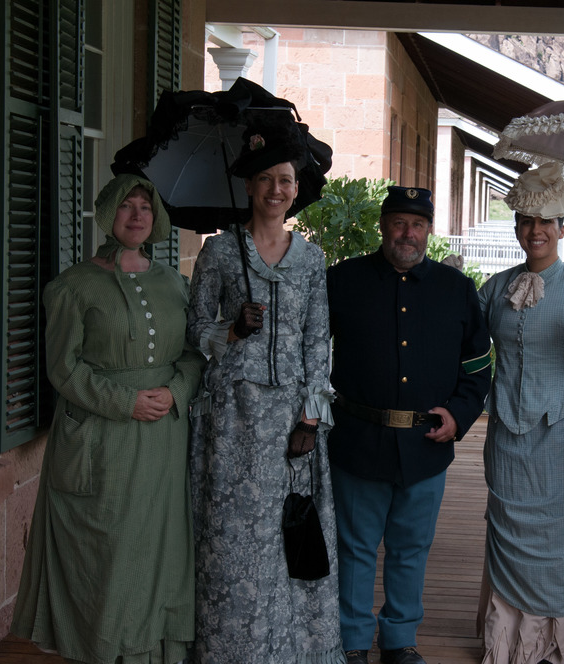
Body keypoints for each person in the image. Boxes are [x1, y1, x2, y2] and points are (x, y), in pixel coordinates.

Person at [11, 174, 205, 664]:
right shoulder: (74, 286)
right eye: (126, 206)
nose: (137, 215)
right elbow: (63, 369)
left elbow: (193, 353)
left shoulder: (174, 284)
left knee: (159, 551)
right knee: (109, 555)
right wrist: (127, 402)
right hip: (101, 441)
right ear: (106, 214)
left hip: (163, 440)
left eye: (145, 206)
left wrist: (175, 390)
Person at [186, 124, 342, 663]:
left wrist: (311, 420)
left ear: (296, 189)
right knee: (233, 543)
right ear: (249, 187)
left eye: (286, 180)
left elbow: (320, 345)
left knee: (287, 537)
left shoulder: (312, 261)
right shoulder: (219, 254)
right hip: (232, 421)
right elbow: (195, 329)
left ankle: (291, 649)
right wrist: (231, 331)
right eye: (266, 180)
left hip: (292, 427)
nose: (276, 190)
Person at [326, 186, 491, 664]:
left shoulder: (455, 288)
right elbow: (309, 349)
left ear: (428, 231)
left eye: (417, 225)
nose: (408, 233)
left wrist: (459, 415)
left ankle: (399, 638)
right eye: (399, 222)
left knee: (410, 546)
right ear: (383, 225)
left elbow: (479, 362)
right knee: (355, 547)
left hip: (426, 443)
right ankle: (353, 640)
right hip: (358, 439)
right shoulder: (342, 280)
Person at [475, 163, 564, 664]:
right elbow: (468, 349)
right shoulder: (495, 289)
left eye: (545, 223)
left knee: (563, 539)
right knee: (513, 532)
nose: (534, 231)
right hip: (510, 439)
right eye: (524, 221)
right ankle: (511, 641)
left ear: (563, 227)